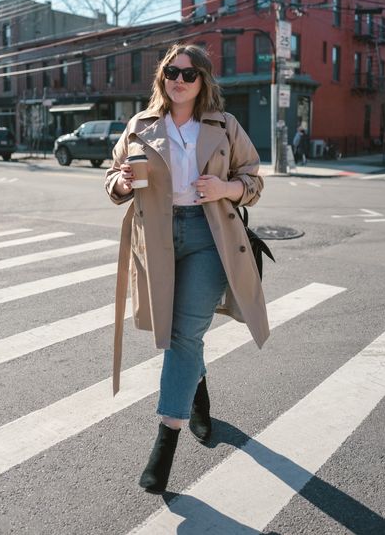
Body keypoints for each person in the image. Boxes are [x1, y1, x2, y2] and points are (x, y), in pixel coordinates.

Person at [104, 43, 270, 494]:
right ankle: (197, 395)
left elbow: (254, 182)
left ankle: (165, 442)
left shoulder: (224, 126)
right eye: (171, 72)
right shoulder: (140, 126)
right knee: (175, 332)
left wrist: (225, 186)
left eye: (189, 74)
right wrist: (119, 183)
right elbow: (113, 176)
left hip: (208, 237)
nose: (178, 79)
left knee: (183, 335)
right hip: (155, 239)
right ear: (162, 77)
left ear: (203, 81)